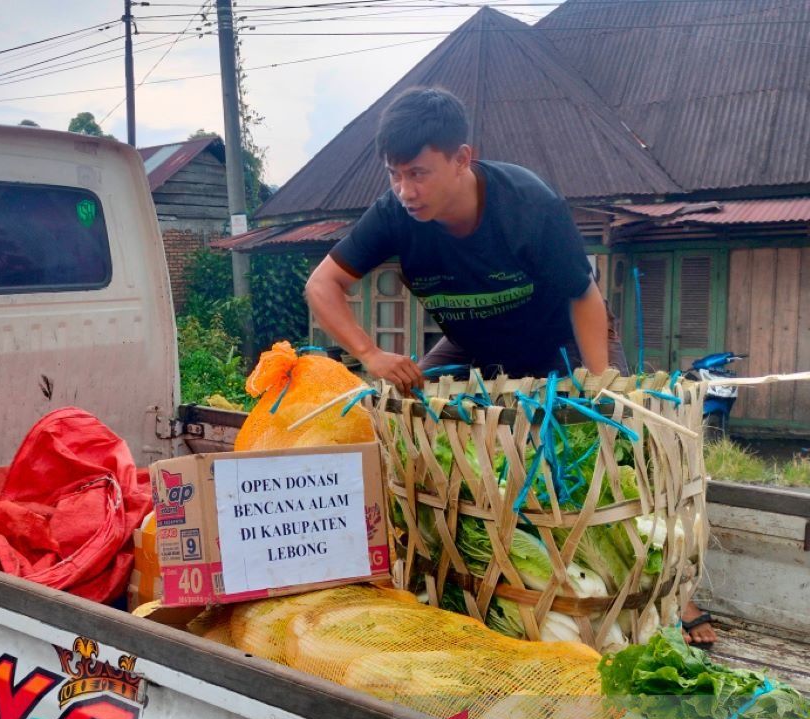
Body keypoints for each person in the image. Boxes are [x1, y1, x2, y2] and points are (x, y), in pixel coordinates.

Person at [304, 86, 715, 648]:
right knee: (414, 421)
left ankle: (665, 593)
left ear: (462, 158)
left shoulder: (529, 204)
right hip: (472, 347)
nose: (406, 190)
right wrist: (371, 355)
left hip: (562, 342)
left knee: (612, 450)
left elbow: (584, 296)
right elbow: (323, 285)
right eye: (395, 175)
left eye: (419, 173)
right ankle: (457, 574)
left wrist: (596, 387)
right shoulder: (393, 217)